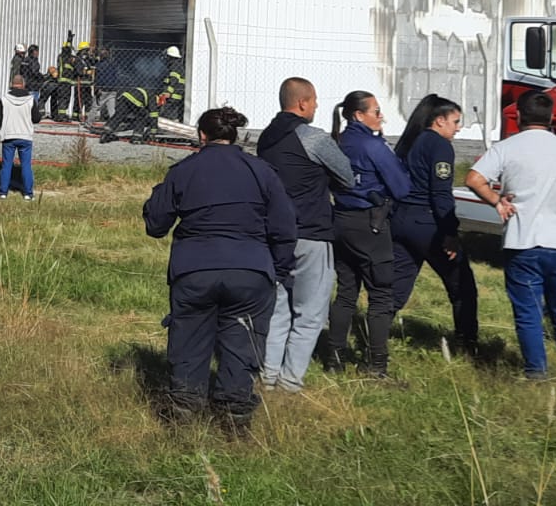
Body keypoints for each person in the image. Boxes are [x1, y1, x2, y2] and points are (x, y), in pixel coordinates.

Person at [143, 108, 297, 431]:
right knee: (242, 344)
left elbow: (156, 224)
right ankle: (235, 419)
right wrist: (276, 273)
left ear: (201, 135)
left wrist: (159, 194)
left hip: (195, 269)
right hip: (251, 269)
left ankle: (184, 414)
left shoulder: (184, 171)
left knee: (189, 339)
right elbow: (284, 229)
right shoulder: (262, 172)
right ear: (236, 135)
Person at [464, 90, 556, 379]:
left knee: (528, 310)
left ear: (519, 116)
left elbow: (474, 178)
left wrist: (497, 201)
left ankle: (536, 370)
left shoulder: (507, 148)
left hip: (521, 240)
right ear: (551, 118)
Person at [255, 76, 355, 392]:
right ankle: (289, 381)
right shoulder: (313, 138)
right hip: (312, 231)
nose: (315, 107)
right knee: (310, 313)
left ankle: (267, 375)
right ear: (302, 103)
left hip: (274, 232)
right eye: (313, 101)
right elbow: (348, 176)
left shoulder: (266, 139)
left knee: (279, 308)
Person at [327, 90, 413, 378]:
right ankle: (377, 367)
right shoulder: (372, 146)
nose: (381, 117)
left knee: (346, 293)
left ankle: (334, 357)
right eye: (377, 112)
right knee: (380, 295)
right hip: (370, 223)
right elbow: (401, 187)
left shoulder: (337, 142)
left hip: (340, 220)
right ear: (358, 115)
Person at [391, 94, 479, 355]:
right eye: (455, 121)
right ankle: (467, 346)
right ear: (439, 121)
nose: (458, 127)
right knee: (462, 285)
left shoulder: (410, 142)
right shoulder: (439, 146)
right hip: (427, 223)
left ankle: (372, 335)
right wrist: (450, 232)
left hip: (401, 220)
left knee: (396, 287)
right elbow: (441, 193)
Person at [0, 73, 43, 200]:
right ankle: (28, 194)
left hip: (8, 136)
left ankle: (3, 192)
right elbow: (36, 119)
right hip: (25, 136)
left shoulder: (5, 99)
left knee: (6, 165)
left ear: (11, 85)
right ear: (23, 84)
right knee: (26, 165)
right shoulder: (30, 99)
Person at [157, 46, 186, 120]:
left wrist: (167, 92)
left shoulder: (174, 66)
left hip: (172, 96)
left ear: (169, 57)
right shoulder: (177, 66)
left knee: (166, 115)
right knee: (172, 114)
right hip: (175, 95)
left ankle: (165, 129)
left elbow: (173, 81)